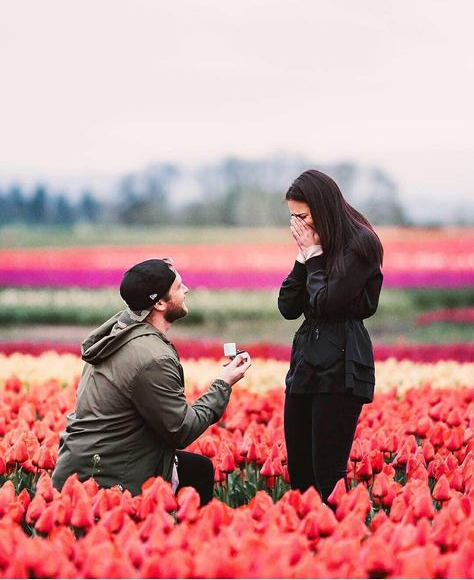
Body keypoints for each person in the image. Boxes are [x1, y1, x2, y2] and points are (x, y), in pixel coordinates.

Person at [52, 258, 251, 504]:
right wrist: (223, 384)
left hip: (83, 463)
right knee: (197, 473)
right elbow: (181, 430)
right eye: (179, 287)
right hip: (107, 478)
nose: (186, 289)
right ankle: (196, 538)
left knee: (198, 468)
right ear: (158, 302)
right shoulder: (152, 358)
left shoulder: (120, 334)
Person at [278, 169, 383, 503]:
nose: (298, 225)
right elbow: (287, 306)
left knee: (327, 476)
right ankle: (306, 546)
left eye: (303, 216)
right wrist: (302, 256)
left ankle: (338, 544)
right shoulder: (314, 246)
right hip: (306, 363)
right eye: (293, 217)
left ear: (322, 209)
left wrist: (313, 257)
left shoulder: (361, 244)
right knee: (300, 473)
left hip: (341, 365)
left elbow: (327, 301)